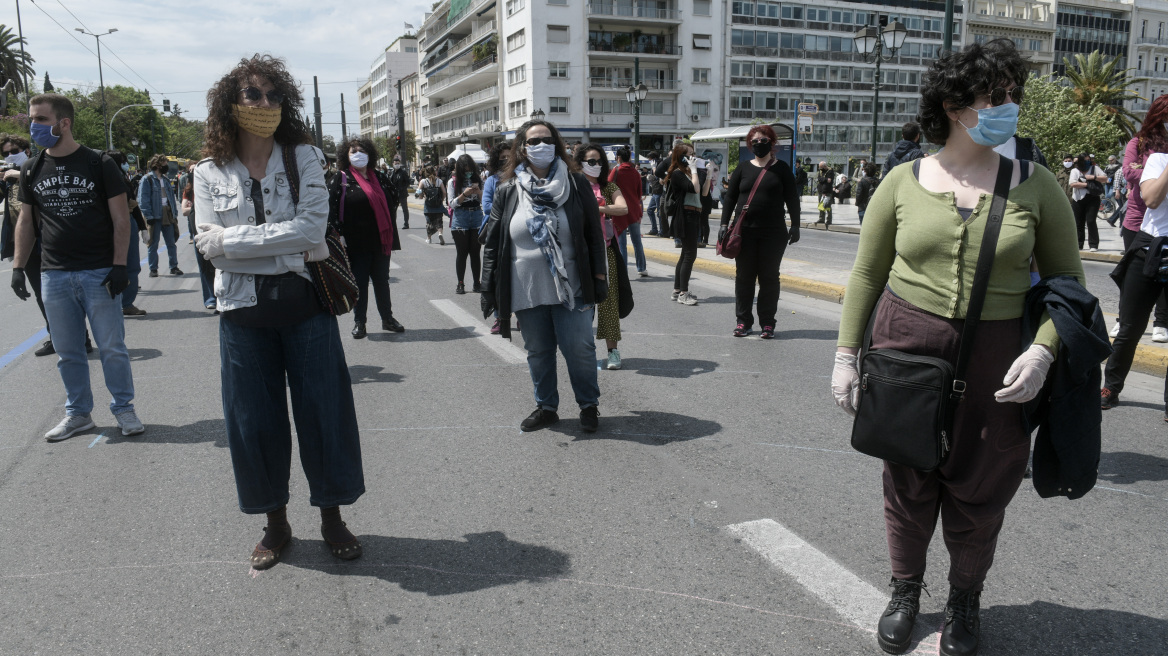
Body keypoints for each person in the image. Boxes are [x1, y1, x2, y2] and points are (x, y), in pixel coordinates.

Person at [830, 40, 1085, 656]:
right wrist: (844, 357)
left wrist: (1044, 351)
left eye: (1011, 97)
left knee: (983, 486)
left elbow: (1067, 286)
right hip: (904, 349)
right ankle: (905, 589)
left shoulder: (1037, 185)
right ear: (951, 105)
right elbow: (867, 275)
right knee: (908, 477)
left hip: (998, 359)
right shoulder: (901, 181)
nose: (1007, 109)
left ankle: (965, 599)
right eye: (993, 98)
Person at [192, 55, 365, 569]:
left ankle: (332, 517)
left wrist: (237, 242)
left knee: (324, 414)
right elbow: (207, 245)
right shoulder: (207, 171)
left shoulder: (304, 157)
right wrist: (280, 248)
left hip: (306, 307)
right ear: (232, 103)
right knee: (254, 422)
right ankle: (276, 522)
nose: (265, 104)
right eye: (253, 95)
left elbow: (313, 232)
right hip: (242, 316)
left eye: (273, 95)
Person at [10, 93, 145, 441]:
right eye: (32, 119)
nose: (34, 126)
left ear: (63, 123)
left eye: (40, 119)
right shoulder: (32, 168)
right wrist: (18, 266)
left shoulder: (99, 163)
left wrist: (119, 267)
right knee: (68, 351)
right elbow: (26, 221)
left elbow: (121, 219)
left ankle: (124, 409)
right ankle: (79, 414)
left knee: (112, 348)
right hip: (54, 274)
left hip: (98, 272)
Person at [479, 119, 607, 433]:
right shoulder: (508, 189)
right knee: (538, 351)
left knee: (579, 348)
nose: (540, 146)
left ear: (557, 144)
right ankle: (547, 407)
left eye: (546, 140)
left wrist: (600, 276)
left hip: (571, 285)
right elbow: (494, 243)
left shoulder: (575, 183)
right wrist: (488, 286)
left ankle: (588, 406)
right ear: (521, 148)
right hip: (527, 287)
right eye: (533, 141)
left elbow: (593, 232)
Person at [720, 125, 800, 339]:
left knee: (769, 277)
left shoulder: (781, 168)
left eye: (763, 140)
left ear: (772, 143)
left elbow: (792, 197)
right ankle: (743, 321)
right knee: (744, 277)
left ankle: (767, 323)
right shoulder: (743, 168)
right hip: (744, 232)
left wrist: (796, 224)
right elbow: (730, 197)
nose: (759, 144)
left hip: (773, 233)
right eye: (754, 141)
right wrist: (722, 224)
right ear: (750, 145)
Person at [329, 135, 405, 339]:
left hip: (380, 240)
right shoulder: (342, 178)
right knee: (360, 283)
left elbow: (394, 197)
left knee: (382, 281)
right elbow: (331, 209)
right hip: (355, 242)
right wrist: (339, 235)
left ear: (369, 155)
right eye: (353, 151)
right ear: (346, 155)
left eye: (362, 151)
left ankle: (387, 319)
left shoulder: (379, 177)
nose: (358, 154)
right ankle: (359, 322)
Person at [1117, 101, 1168, 342]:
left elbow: (1140, 172)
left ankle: (1161, 322)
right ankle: (1123, 318)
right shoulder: (1138, 142)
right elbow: (1128, 171)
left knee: (1163, 275)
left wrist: (1147, 170)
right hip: (1137, 218)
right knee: (1133, 277)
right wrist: (1153, 172)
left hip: (1161, 221)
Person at [578, 143, 629, 369]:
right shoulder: (573, 186)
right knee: (583, 304)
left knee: (608, 303)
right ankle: (584, 351)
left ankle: (613, 352)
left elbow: (623, 208)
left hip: (606, 250)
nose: (596, 165)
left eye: (599, 161)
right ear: (580, 163)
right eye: (591, 161)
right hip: (580, 252)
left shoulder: (608, 187)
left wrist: (597, 209)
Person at [108, 150, 148, 317]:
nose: (127, 164)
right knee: (130, 265)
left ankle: (117, 303)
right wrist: (142, 226)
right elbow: (133, 205)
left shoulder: (111, 177)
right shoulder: (120, 180)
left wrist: (142, 226)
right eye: (124, 161)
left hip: (110, 224)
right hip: (124, 222)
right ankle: (126, 303)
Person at [665, 143, 702, 305]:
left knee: (685, 254)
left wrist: (706, 174)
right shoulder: (677, 174)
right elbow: (693, 189)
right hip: (685, 215)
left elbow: (702, 191)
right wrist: (694, 170)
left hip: (693, 214)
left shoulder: (686, 172)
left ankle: (677, 290)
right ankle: (683, 293)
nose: (693, 157)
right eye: (689, 154)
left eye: (694, 154)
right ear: (681, 156)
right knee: (689, 254)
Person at [481, 141, 511, 334]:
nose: (507, 161)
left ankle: (521, 316)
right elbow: (486, 206)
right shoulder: (492, 180)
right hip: (498, 235)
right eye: (502, 158)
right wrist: (509, 212)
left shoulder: (522, 178)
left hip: (518, 235)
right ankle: (499, 317)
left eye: (510, 157)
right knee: (498, 278)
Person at [138, 154, 183, 277]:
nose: (166, 166)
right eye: (164, 164)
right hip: (154, 215)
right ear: (157, 165)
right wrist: (148, 216)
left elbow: (171, 199)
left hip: (167, 214)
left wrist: (174, 214)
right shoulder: (147, 180)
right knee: (153, 243)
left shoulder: (166, 180)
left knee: (171, 242)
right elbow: (143, 200)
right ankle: (153, 269)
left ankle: (173, 266)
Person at [448, 153, 486, 294]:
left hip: (476, 215)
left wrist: (479, 192)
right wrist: (464, 194)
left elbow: (484, 201)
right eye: (465, 170)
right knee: (462, 253)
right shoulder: (453, 182)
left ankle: (477, 283)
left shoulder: (479, 180)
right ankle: (460, 283)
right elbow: (451, 204)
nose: (468, 173)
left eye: (470, 169)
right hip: (461, 217)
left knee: (475, 252)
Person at [181, 175, 217, 311]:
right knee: (205, 267)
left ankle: (221, 297)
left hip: (215, 232)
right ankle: (210, 298)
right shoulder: (189, 191)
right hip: (198, 234)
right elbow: (184, 211)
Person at [609, 146, 646, 277]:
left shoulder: (616, 170)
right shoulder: (635, 172)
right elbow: (639, 194)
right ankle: (641, 267)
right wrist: (640, 213)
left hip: (619, 211)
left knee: (621, 243)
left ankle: (623, 271)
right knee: (637, 241)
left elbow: (608, 187)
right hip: (634, 211)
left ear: (618, 158)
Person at [1069, 151, 1109, 252]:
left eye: (1088, 160)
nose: (1087, 162)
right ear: (1081, 161)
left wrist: (1094, 177)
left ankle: (1093, 244)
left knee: (1091, 221)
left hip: (1092, 198)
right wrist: (1087, 184)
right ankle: (1079, 244)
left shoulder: (1094, 168)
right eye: (1085, 160)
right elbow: (1072, 183)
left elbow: (1105, 179)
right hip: (1078, 199)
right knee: (1079, 222)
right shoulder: (1075, 171)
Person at [419, 166, 446, 245]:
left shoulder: (423, 181)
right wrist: (441, 200)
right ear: (434, 172)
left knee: (429, 222)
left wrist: (420, 196)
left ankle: (429, 238)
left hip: (428, 205)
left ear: (425, 173)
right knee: (439, 220)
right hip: (438, 204)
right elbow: (444, 192)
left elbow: (418, 191)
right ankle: (440, 233)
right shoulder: (439, 181)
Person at [390, 155, 411, 229]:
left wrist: (403, 188)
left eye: (398, 163)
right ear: (393, 164)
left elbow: (408, 182)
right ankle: (393, 224)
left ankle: (406, 224)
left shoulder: (403, 172)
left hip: (402, 194)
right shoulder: (391, 173)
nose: (397, 165)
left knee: (404, 209)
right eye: (395, 163)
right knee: (393, 209)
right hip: (394, 194)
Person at [645, 168, 663, 236]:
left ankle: (662, 231)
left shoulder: (659, 165)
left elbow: (659, 177)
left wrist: (655, 169)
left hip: (659, 193)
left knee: (660, 213)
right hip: (654, 193)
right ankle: (654, 229)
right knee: (649, 210)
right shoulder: (654, 167)